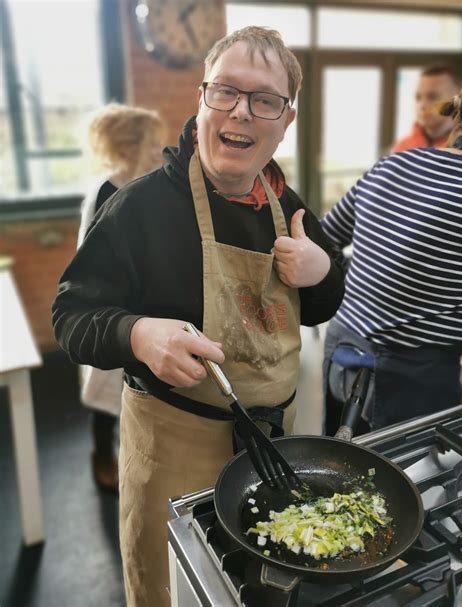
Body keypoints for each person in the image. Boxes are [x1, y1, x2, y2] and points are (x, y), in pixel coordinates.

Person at [52, 26, 345, 606]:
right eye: (226, 90)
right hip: (173, 448)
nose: (242, 111)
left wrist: (323, 271)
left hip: (268, 450)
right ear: (202, 98)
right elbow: (71, 314)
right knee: (170, 589)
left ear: (286, 120)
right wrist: (136, 333)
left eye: (265, 99)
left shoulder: (286, 205)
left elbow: (320, 306)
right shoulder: (139, 208)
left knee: (252, 587)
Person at [321, 77, 462, 435]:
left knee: (335, 461)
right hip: (415, 377)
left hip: (342, 351)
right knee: (407, 469)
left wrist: (361, 282)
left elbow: (322, 238)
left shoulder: (393, 164)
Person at [78, 103, 165, 492]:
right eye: (152, 145)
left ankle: (135, 452)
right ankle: (102, 454)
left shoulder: (147, 184)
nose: (159, 151)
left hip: (142, 304)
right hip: (109, 306)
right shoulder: (106, 190)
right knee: (106, 389)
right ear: (128, 148)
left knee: (135, 387)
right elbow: (95, 259)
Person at [392, 64, 460, 153]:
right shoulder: (402, 148)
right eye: (418, 97)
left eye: (432, 97)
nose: (422, 105)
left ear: (455, 99)